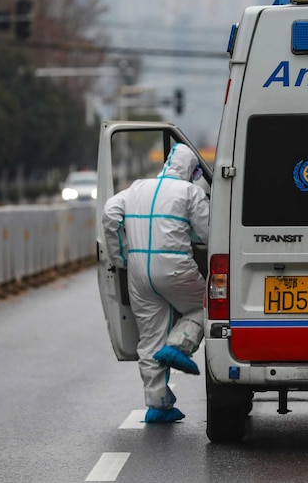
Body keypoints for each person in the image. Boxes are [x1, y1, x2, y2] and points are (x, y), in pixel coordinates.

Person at [102, 143, 209, 424]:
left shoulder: (137, 188)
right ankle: (179, 346)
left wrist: (120, 256)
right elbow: (211, 233)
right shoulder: (190, 192)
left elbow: (110, 213)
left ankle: (158, 405)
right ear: (191, 170)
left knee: (150, 337)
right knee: (207, 305)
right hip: (176, 268)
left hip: (139, 273)